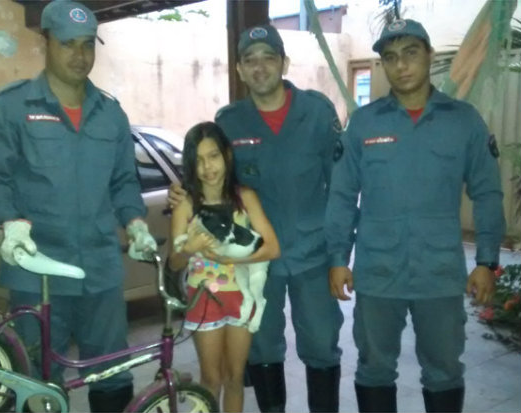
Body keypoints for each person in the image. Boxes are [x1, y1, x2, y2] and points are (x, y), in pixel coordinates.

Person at [0, 1, 157, 411]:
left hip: (100, 273)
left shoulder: (110, 114)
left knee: (111, 374)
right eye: (68, 44)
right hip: (37, 270)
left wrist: (137, 223)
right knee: (37, 381)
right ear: (46, 42)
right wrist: (10, 222)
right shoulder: (13, 107)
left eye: (88, 45)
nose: (79, 55)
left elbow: (125, 183)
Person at [325, 18, 506, 413]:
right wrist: (338, 258)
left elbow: (488, 193)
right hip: (377, 272)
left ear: (428, 56)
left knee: (443, 370)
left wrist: (487, 260)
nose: (401, 65)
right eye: (390, 57)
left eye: (410, 53)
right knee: (374, 368)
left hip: (439, 273)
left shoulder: (463, 121)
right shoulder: (365, 124)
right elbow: (341, 196)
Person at [169, 25, 344, 412]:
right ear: (239, 69)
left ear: (284, 62)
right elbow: (215, 179)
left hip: (312, 254)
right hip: (252, 259)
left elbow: (342, 189)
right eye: (251, 60)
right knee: (261, 344)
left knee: (321, 343)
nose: (260, 67)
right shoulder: (230, 121)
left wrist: (339, 258)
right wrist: (185, 194)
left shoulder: (317, 112)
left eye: (269, 57)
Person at [169, 121, 280, 412]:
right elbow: (174, 261)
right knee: (210, 379)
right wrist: (188, 249)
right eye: (199, 160)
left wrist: (231, 260)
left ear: (228, 156)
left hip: (240, 298)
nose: (208, 167)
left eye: (214, 156)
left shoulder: (246, 198)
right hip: (203, 299)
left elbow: (273, 247)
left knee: (234, 379)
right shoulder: (186, 203)